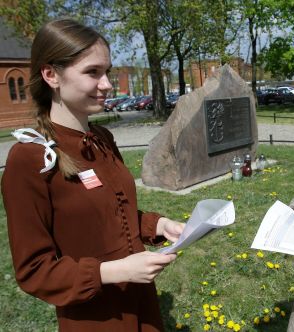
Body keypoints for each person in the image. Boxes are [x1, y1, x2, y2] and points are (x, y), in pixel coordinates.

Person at [1, 19, 184, 331]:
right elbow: (34, 270)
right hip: (96, 319)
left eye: (107, 71)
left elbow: (113, 213)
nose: (107, 84)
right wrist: (114, 272)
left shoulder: (103, 138)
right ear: (50, 75)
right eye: (92, 72)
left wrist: (159, 225)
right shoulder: (30, 159)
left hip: (143, 306)